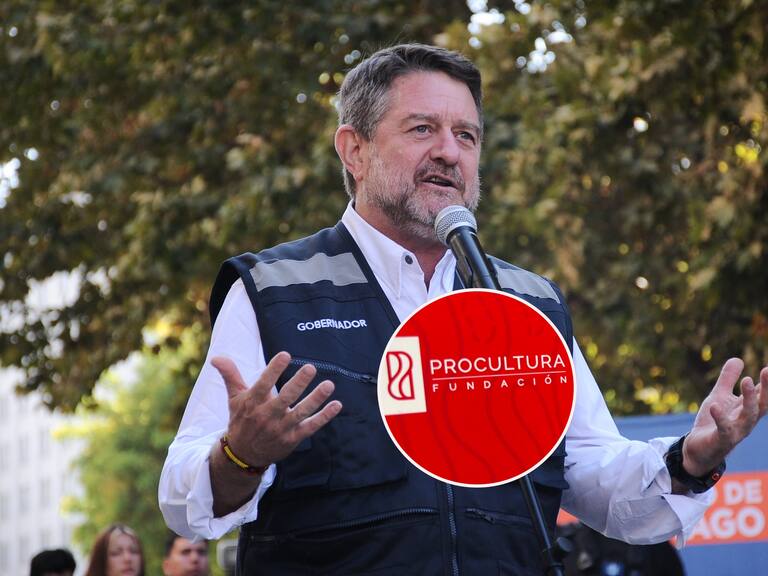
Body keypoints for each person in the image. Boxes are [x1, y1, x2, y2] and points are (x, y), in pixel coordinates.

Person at [159, 43, 768, 574]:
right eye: (422, 129)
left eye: (467, 136)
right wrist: (240, 454)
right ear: (354, 150)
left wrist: (690, 460)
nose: (450, 152)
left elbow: (594, 472)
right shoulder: (273, 290)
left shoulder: (527, 302)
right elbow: (184, 499)